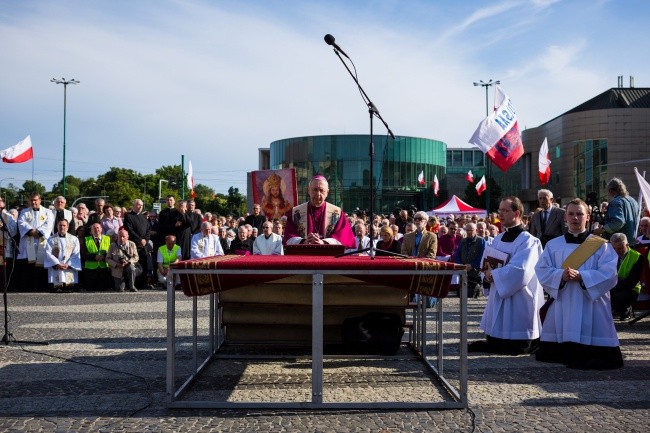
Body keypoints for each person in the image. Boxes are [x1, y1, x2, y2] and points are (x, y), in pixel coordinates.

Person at [535, 198, 623, 370]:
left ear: (588, 217)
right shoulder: (553, 245)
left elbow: (610, 274)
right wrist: (561, 275)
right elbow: (542, 270)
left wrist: (582, 277)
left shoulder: (601, 246)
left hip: (591, 304)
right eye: (571, 214)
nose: (575, 218)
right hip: (563, 301)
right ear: (565, 218)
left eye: (580, 214)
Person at [468, 196, 544, 355]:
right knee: (495, 341)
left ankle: (521, 342)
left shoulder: (529, 241)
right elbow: (486, 263)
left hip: (520, 296)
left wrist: (494, 275)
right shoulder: (498, 239)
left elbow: (522, 270)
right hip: (498, 289)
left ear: (516, 213)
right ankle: (496, 340)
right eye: (499, 210)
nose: (500, 214)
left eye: (505, 211)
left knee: (516, 341)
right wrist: (487, 275)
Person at [283, 175, 356, 248]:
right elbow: (289, 236)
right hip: (303, 254)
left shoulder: (337, 213)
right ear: (309, 190)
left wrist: (324, 242)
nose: (318, 194)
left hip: (329, 256)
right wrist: (304, 241)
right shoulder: (295, 212)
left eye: (321, 190)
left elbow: (343, 236)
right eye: (315, 190)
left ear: (327, 192)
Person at [17, 193, 55, 291]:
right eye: (31, 200)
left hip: (42, 244)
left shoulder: (48, 212)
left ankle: (41, 287)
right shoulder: (24, 212)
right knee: (28, 267)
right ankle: (27, 288)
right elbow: (21, 223)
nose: (33, 202)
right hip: (27, 244)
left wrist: (37, 232)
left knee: (41, 266)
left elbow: (48, 225)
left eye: (35, 200)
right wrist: (32, 231)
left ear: (40, 200)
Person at [594, 177, 640, 244]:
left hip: (619, 244)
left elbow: (619, 222)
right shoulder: (633, 201)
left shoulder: (616, 202)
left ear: (610, 190)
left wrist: (602, 230)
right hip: (632, 241)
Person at [609, 233, 643, 320]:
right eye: (614, 248)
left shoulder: (637, 257)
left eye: (620, 248)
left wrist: (612, 286)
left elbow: (631, 282)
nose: (616, 251)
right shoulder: (608, 256)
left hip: (631, 289)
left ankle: (625, 311)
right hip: (613, 285)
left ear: (627, 245)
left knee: (619, 297)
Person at [44, 219, 81, 292]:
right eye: (60, 225)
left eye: (64, 225)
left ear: (67, 227)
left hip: (68, 267)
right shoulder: (51, 239)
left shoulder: (74, 239)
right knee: (55, 287)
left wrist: (68, 264)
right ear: (57, 226)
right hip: (56, 266)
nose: (62, 227)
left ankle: (68, 287)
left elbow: (76, 253)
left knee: (69, 288)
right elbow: (48, 253)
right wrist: (57, 263)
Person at [122, 199, 151, 289]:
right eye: (138, 205)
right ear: (133, 205)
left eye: (141, 205)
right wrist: (139, 240)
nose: (140, 207)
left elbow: (148, 230)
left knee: (143, 264)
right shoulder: (128, 216)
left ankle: (143, 284)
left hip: (143, 245)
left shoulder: (144, 217)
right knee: (133, 265)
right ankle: (132, 284)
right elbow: (129, 230)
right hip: (133, 245)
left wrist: (145, 240)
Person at [453, 222, 486, 298]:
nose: (468, 232)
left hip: (475, 273)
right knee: (460, 294)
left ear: (476, 230)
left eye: (471, 230)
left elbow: (482, 257)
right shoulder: (462, 241)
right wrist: (462, 266)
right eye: (467, 230)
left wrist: (472, 265)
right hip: (464, 273)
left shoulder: (481, 241)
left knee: (471, 293)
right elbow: (457, 256)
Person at [107, 228, 141, 292]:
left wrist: (128, 262)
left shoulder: (132, 244)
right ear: (117, 236)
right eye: (120, 236)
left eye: (123, 237)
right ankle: (122, 285)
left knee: (132, 268)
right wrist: (116, 264)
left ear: (127, 237)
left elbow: (136, 257)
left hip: (128, 266)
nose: (122, 238)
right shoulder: (112, 245)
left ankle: (132, 286)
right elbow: (108, 258)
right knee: (120, 289)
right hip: (118, 268)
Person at [81, 223, 111, 292]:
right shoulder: (86, 239)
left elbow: (111, 252)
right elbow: (83, 254)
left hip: (103, 269)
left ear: (101, 229)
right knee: (90, 290)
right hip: (90, 270)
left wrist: (103, 256)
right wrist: (95, 257)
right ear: (91, 231)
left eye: (98, 228)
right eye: (94, 228)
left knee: (103, 291)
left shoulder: (108, 239)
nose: (96, 229)